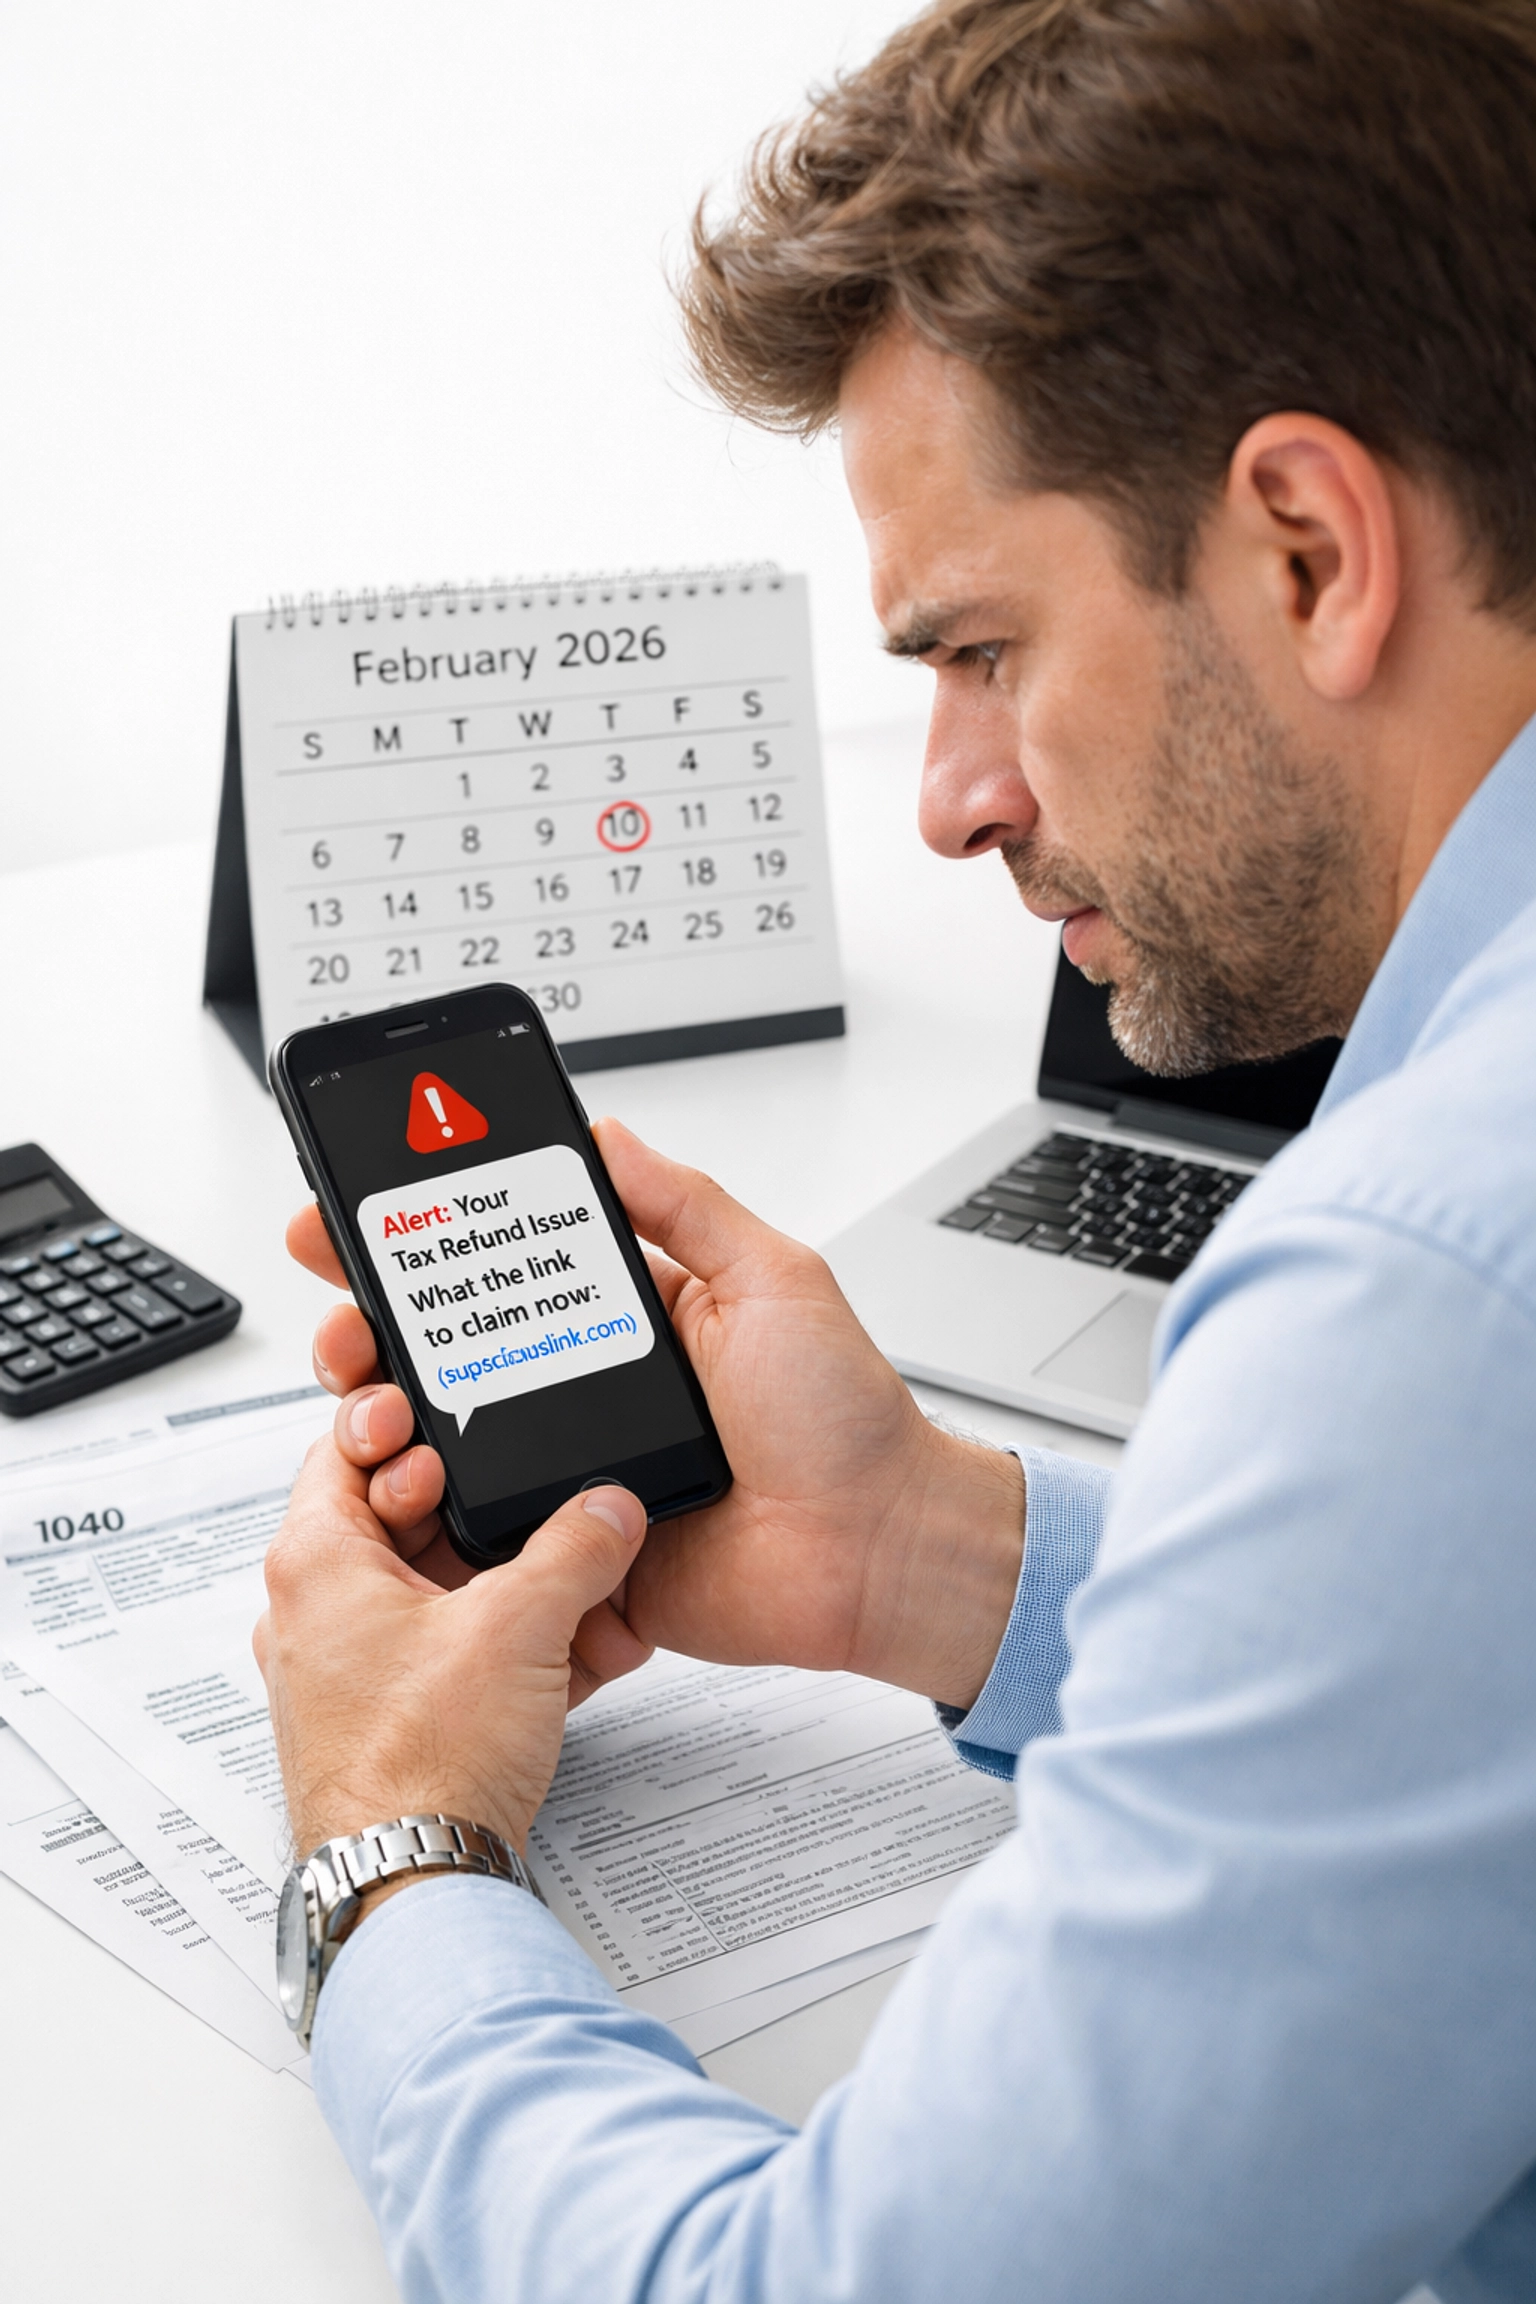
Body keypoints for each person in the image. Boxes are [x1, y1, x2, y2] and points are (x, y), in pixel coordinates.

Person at [255, 1, 1536, 2295]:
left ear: (1309, 550)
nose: (949, 800)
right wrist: (923, 1550)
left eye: (980, 650)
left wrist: (388, 1853)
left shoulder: (1434, 1291)